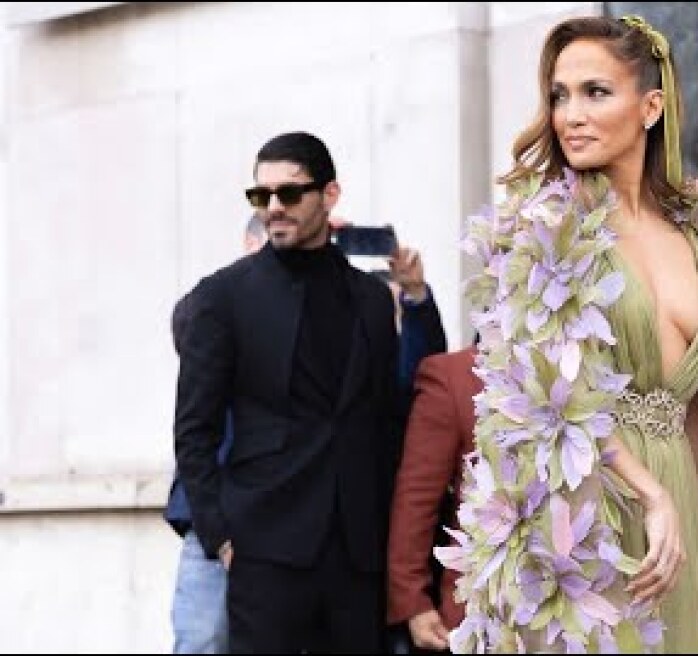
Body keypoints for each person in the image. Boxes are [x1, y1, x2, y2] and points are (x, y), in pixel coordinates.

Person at [435, 15, 698, 654]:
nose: (571, 113)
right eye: (560, 95)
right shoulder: (544, 233)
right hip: (582, 506)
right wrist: (651, 495)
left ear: (650, 107)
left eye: (596, 92)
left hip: (681, 515)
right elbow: (546, 400)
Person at [173, 131, 444, 653]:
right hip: (264, 548)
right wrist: (220, 536)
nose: (274, 208)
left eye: (290, 194)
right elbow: (194, 429)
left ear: (330, 195)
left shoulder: (369, 298)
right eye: (261, 196)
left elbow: (390, 417)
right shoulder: (222, 297)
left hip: (355, 554)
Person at [165, 213, 266, 654]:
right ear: (249, 243)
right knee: (202, 640)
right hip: (212, 515)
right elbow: (187, 326)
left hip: (284, 516)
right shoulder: (216, 301)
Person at [387, 344, 481, 653]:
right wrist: (412, 600)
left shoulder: (591, 376)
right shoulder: (455, 376)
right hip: (480, 608)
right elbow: (416, 497)